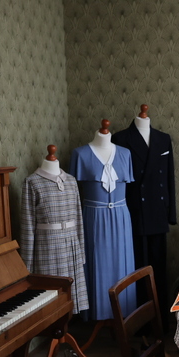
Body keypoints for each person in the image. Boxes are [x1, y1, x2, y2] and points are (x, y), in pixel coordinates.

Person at [112, 105, 176, 324]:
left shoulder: (163, 139)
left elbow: (169, 178)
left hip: (158, 212)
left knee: (158, 269)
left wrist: (171, 213)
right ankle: (138, 324)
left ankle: (159, 323)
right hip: (133, 213)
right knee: (136, 270)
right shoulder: (120, 139)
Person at [70, 120, 136, 321]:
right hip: (94, 217)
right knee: (96, 263)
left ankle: (124, 315)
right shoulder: (80, 154)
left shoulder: (125, 154)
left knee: (122, 265)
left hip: (121, 217)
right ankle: (98, 314)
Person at [20, 144, 89, 315]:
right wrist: (26, 265)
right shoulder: (32, 182)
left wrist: (81, 252)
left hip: (71, 244)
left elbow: (78, 218)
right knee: (51, 299)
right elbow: (27, 225)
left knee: (70, 296)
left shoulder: (71, 181)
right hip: (48, 246)